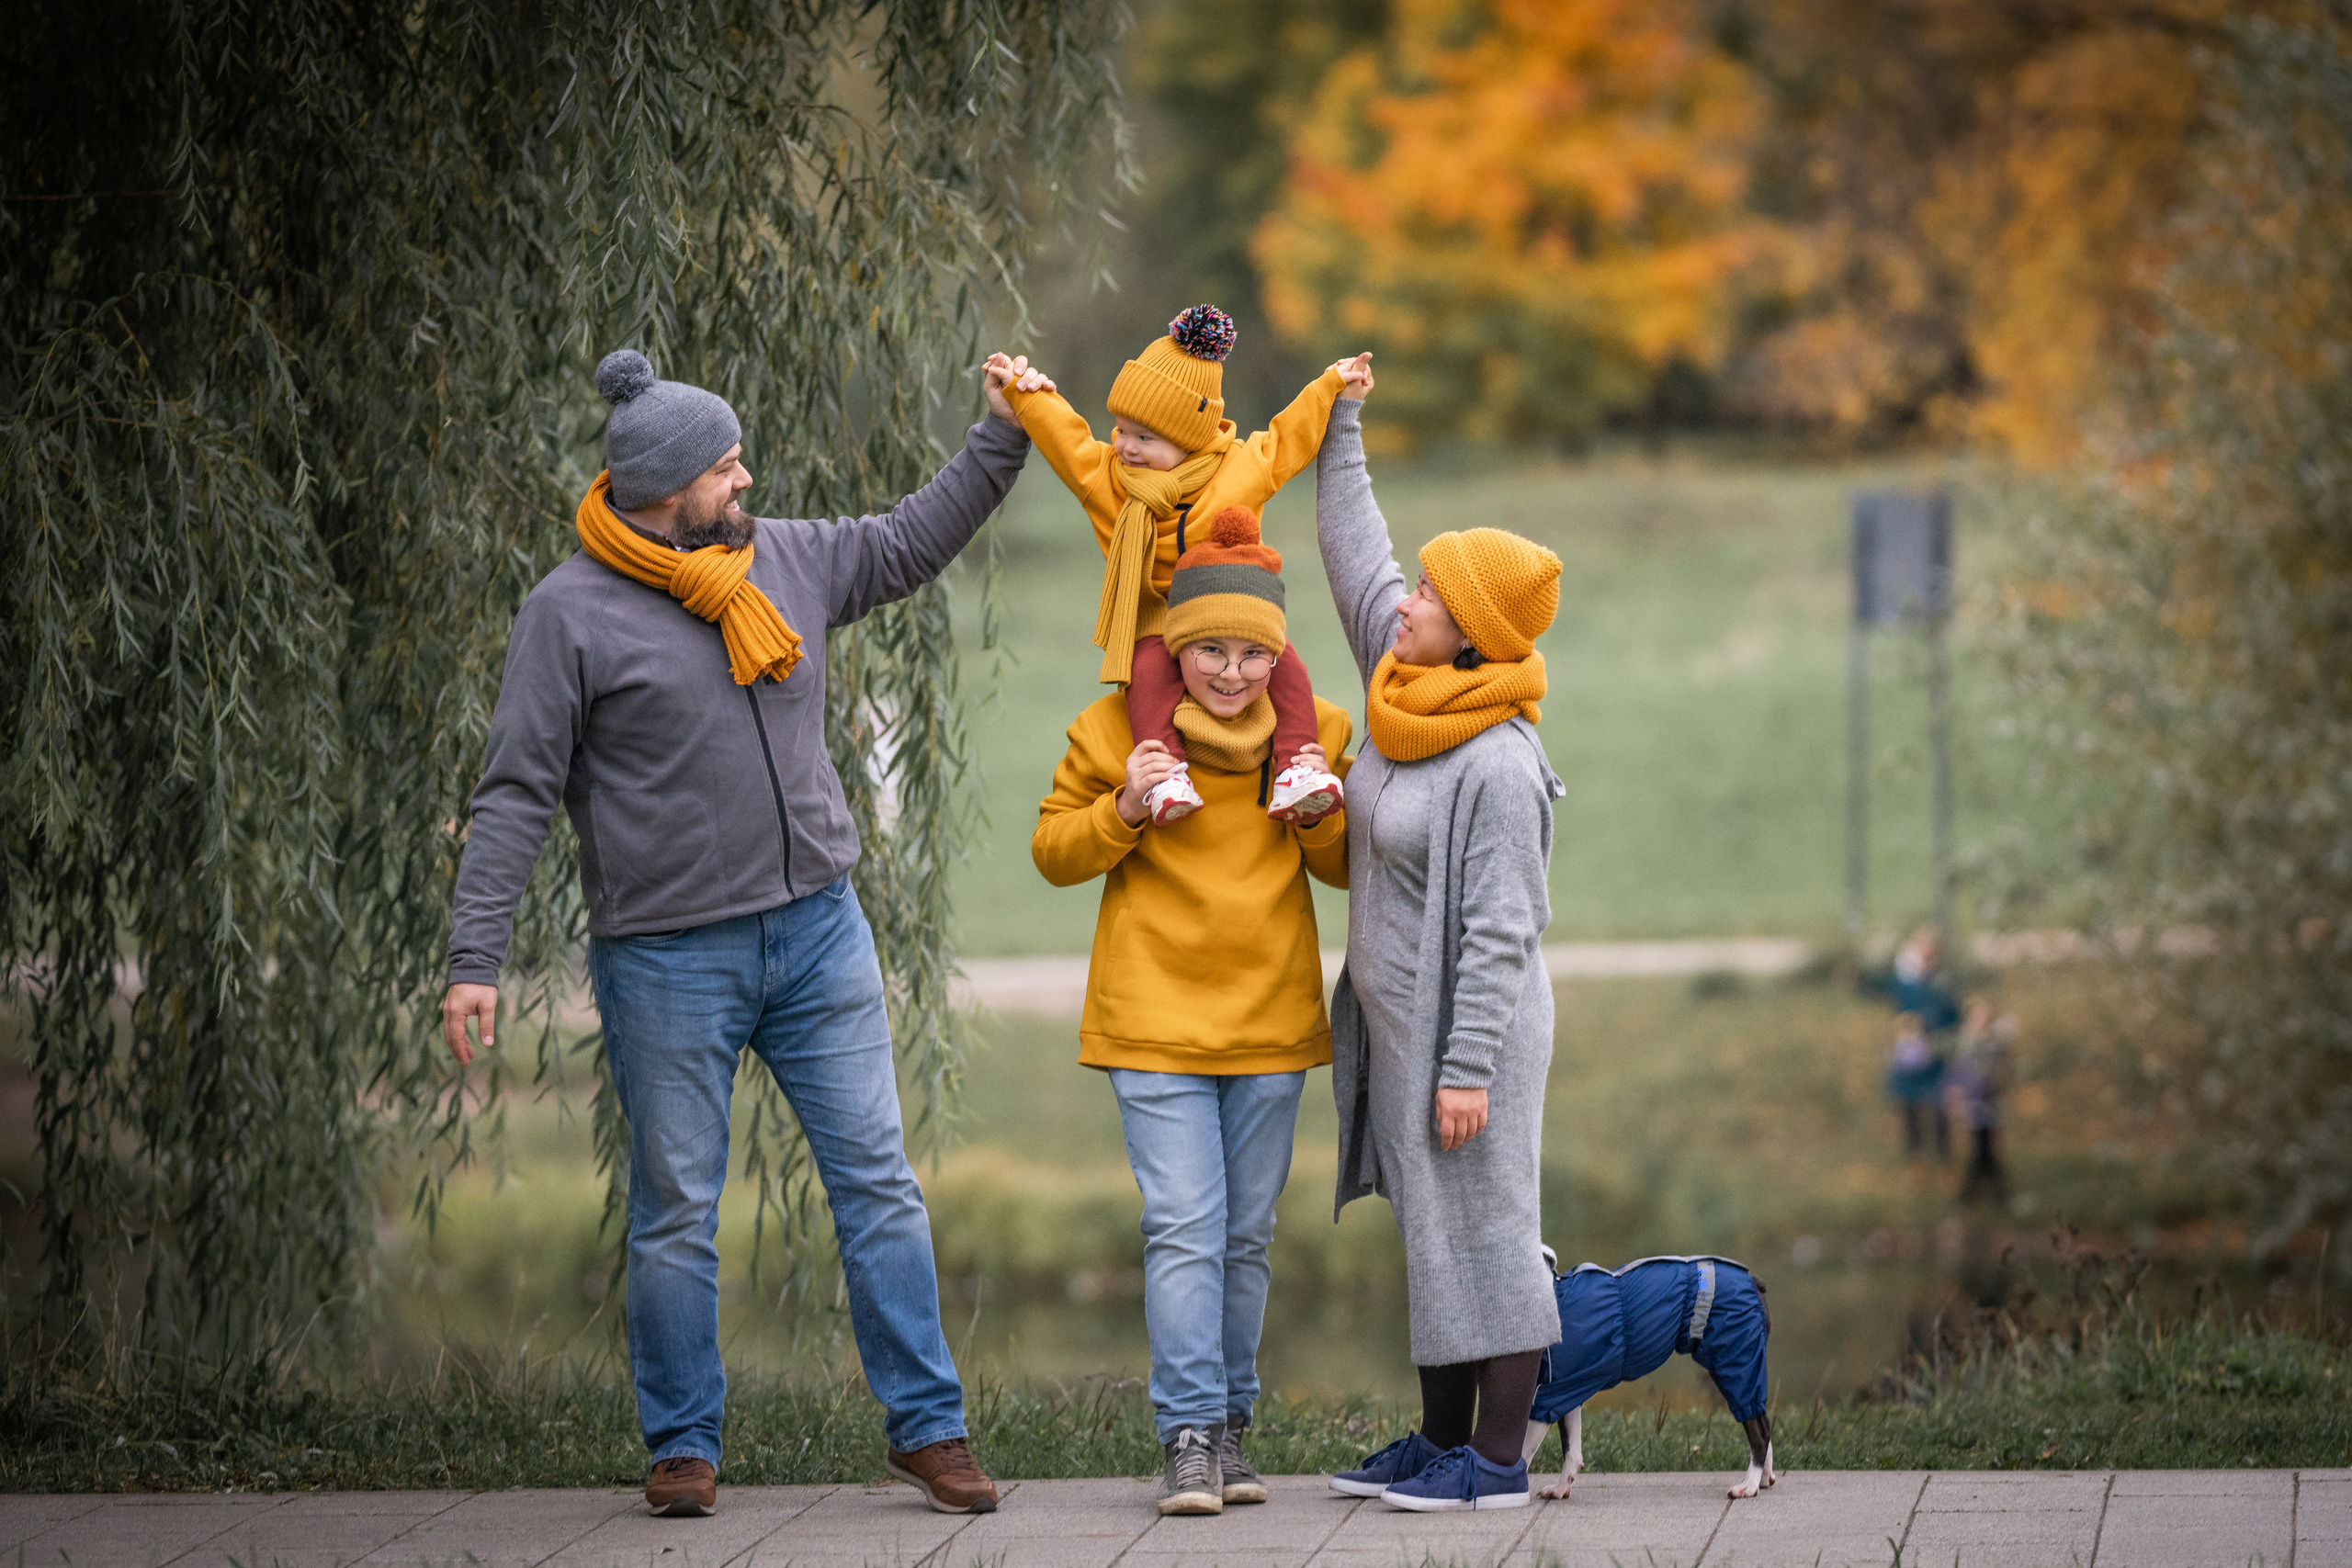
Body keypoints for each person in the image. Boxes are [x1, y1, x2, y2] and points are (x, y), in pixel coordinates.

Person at [441, 348, 1035, 1520]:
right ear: (666, 488)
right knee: (675, 1210)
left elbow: (916, 538)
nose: (746, 477)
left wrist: (1003, 433)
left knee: (877, 1182)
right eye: (725, 466)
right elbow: (514, 792)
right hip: (667, 955)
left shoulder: (791, 559)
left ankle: (928, 1429)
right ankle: (682, 1448)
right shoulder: (568, 614)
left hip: (818, 928)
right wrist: (475, 958)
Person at [1031, 500, 1354, 1517]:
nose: (1227, 672)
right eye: (1207, 649)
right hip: (1153, 1016)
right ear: (1175, 648)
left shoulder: (1320, 736)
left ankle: (1230, 1428)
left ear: (1277, 656)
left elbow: (1349, 872)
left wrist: (1321, 823)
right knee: (1183, 1227)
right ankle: (1185, 1437)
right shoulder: (1108, 731)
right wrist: (1122, 808)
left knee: (1245, 1237)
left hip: (1267, 1020)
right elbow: (1052, 853)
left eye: (1249, 654)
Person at [1312, 366, 1568, 1513]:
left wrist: (1465, 1068)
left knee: (1491, 1235)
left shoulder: (1496, 761)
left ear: (1470, 633)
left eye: (1427, 591)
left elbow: (1504, 928)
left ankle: (1500, 1467)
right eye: (1415, 584)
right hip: (1403, 1026)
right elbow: (1352, 552)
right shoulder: (1400, 682)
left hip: (1475, 1037)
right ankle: (1438, 1443)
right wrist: (1340, 420)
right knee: (1434, 1236)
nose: (1403, 596)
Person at [997, 306, 1363, 825]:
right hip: (1156, 620)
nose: (1126, 447)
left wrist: (1331, 386)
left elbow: (1288, 440)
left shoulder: (1237, 471)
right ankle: (1165, 774)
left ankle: (1295, 769)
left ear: (1189, 438)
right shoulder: (1110, 481)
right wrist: (1021, 391)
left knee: (1286, 669)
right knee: (1147, 674)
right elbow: (1067, 440)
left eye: (1145, 438)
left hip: (1232, 614)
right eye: (1122, 429)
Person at [1948, 999, 2016, 1201]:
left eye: (1985, 1016)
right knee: (1980, 1145)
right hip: (1971, 1101)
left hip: (1988, 1100)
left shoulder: (1994, 1043)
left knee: (1985, 1144)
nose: (1981, 1020)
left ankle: (1977, 1191)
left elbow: (2000, 1071)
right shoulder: (1965, 1042)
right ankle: (1989, 1190)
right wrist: (1955, 1097)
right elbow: (1956, 1072)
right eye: (1977, 1016)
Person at [1884, 1011, 1949, 1159]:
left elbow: (1932, 1067)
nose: (1910, 1034)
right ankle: (1915, 1158)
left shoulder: (1927, 1046)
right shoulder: (1897, 1048)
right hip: (1907, 1092)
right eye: (1906, 1031)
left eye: (1914, 1030)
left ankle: (1942, 1158)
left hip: (1927, 1091)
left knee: (1937, 1125)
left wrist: (1925, 1054)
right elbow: (1894, 1073)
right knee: (1910, 1126)